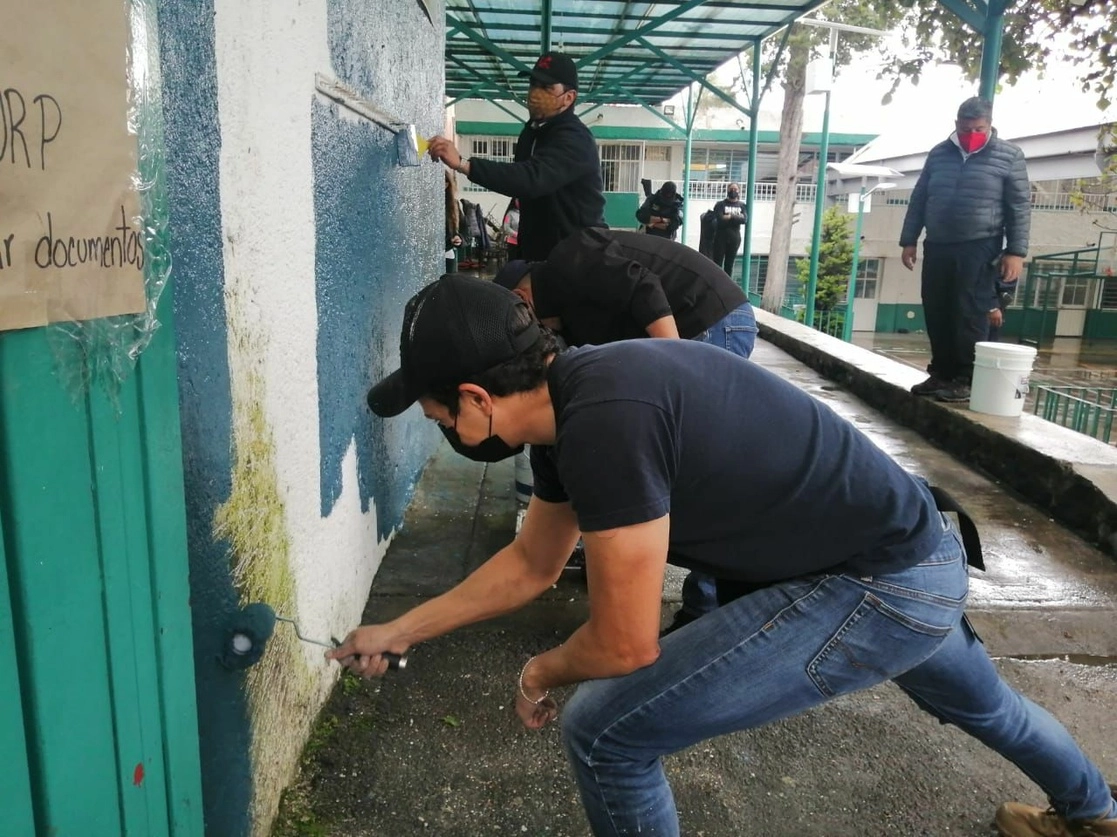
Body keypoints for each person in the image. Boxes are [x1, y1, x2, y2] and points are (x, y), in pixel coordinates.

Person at [338, 273, 1117, 837]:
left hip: (877, 584)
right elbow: (532, 564)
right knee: (989, 706)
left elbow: (623, 641)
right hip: (907, 549)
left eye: (435, 407)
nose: (436, 420)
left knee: (604, 730)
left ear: (475, 398)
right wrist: (400, 629)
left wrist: (538, 670)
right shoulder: (579, 395)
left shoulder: (604, 423)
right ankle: (1095, 815)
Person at [493, 227, 757, 630]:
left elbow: (644, 285)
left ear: (522, 299)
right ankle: (696, 607)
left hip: (711, 319)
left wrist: (674, 365)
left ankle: (706, 611)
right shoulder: (571, 324)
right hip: (699, 326)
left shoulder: (569, 259)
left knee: (699, 466)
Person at [900, 96, 1031, 403]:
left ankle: (966, 378)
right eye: (965, 127)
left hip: (979, 245)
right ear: (956, 124)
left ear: (989, 125)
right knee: (937, 307)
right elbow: (920, 197)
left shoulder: (1009, 156)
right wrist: (909, 239)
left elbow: (1019, 206)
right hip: (938, 243)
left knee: (969, 312)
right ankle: (941, 372)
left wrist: (1016, 251)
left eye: (978, 128)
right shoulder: (940, 153)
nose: (971, 133)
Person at [427, 52, 606, 261]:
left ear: (569, 97)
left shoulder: (576, 139)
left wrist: (463, 164)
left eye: (547, 88)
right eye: (533, 84)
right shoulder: (531, 133)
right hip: (540, 256)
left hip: (579, 257)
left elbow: (531, 179)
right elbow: (522, 190)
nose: (535, 94)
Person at [711, 182, 747, 278]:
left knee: (729, 264)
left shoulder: (742, 205)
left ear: (739, 191)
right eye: (731, 189)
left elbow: (744, 219)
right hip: (720, 238)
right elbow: (720, 219)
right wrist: (737, 217)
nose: (733, 191)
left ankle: (727, 286)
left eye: (735, 189)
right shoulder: (720, 204)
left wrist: (730, 216)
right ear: (727, 190)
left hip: (735, 238)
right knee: (717, 263)